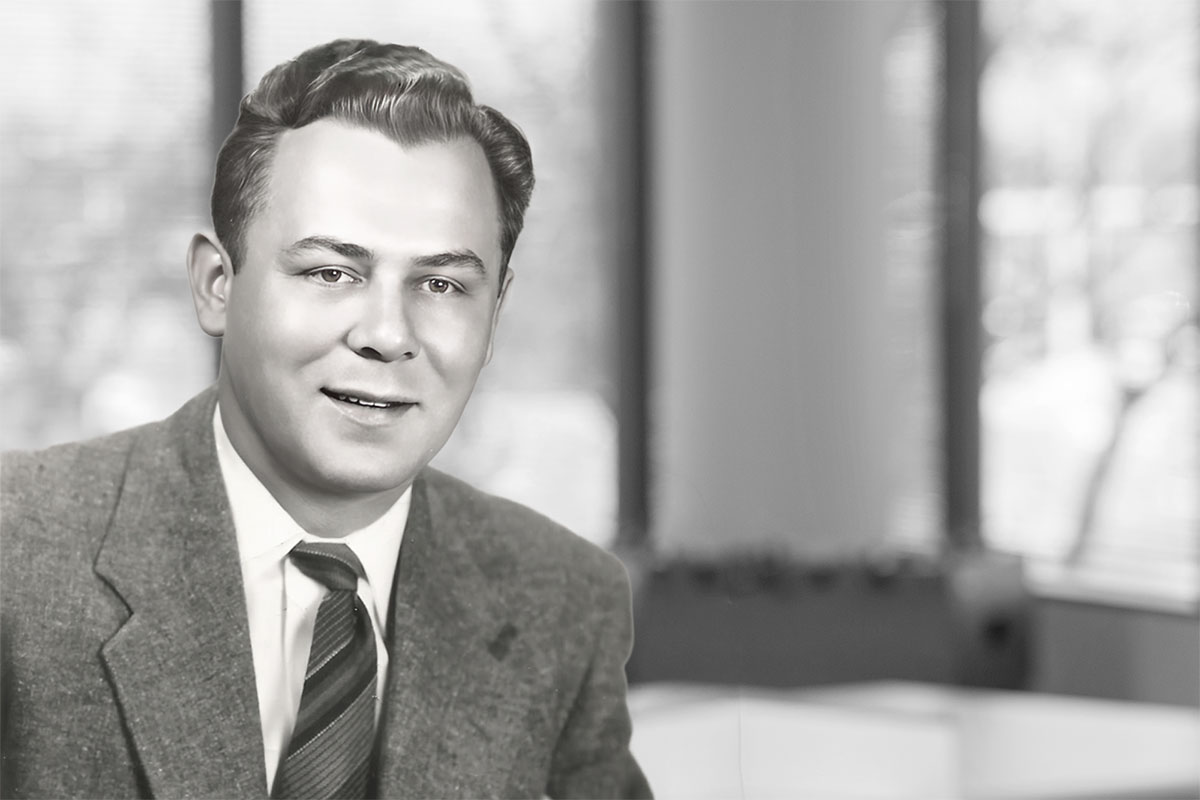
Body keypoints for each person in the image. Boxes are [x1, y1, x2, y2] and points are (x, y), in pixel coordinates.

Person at [0, 38, 650, 799]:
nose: (388, 334)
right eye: (332, 272)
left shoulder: (564, 600)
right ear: (216, 285)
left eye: (442, 285)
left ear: (496, 314)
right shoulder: (18, 552)